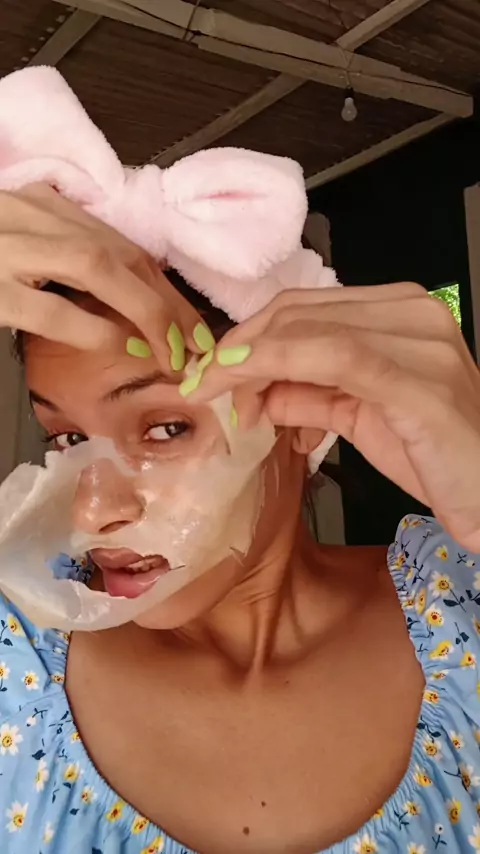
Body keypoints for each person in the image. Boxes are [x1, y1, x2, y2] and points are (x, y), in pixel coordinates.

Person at [0, 183, 480, 854]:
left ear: (304, 415)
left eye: (165, 428)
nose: (91, 510)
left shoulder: (462, 605)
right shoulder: (17, 659)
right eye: (68, 440)